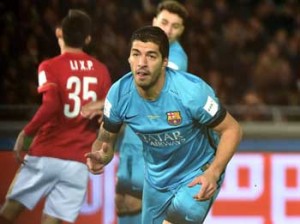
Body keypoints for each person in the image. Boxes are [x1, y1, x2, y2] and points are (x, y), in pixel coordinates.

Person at [86, 26, 242, 224]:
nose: (142, 63)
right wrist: (102, 155)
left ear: (165, 62)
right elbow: (105, 139)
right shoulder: (118, 95)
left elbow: (232, 129)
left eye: (151, 56)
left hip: (197, 173)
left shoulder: (191, 92)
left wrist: (214, 172)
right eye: (136, 54)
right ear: (129, 59)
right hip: (156, 179)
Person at [0, 9, 111, 224]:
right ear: (87, 38)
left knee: (8, 212)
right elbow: (109, 109)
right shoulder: (101, 70)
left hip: (47, 153)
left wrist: (26, 132)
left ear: (59, 32)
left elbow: (51, 105)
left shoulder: (49, 66)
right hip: (78, 160)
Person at [114, 1, 189, 223]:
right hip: (133, 137)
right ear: (154, 20)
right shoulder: (146, 49)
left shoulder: (175, 59)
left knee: (136, 202)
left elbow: (146, 91)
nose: (168, 29)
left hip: (151, 142)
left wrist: (111, 104)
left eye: (175, 26)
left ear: (181, 31)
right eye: (164, 22)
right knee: (124, 202)